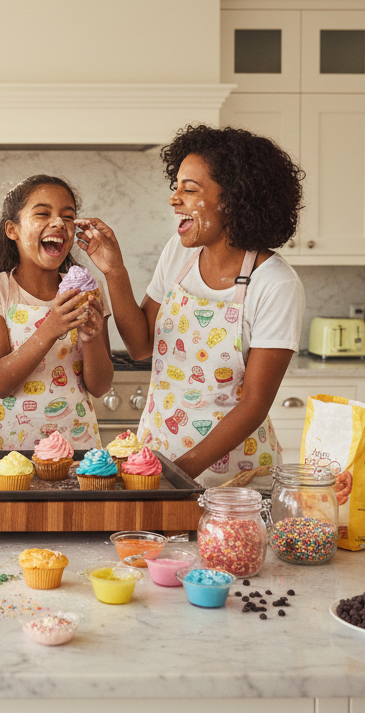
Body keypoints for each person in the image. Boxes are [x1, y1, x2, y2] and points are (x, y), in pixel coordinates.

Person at [74, 124, 305, 486]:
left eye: (190, 189)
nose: (174, 198)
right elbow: (140, 346)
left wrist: (180, 472)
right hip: (156, 459)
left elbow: (254, 405)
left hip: (234, 480)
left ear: (232, 200)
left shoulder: (275, 283)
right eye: (176, 186)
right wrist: (114, 270)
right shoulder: (179, 254)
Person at [0, 175, 113, 451]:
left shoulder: (89, 290)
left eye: (67, 217)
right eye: (43, 213)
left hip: (75, 447)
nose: (58, 223)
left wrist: (92, 338)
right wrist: (51, 327)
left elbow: (100, 386)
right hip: (6, 451)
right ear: (13, 230)